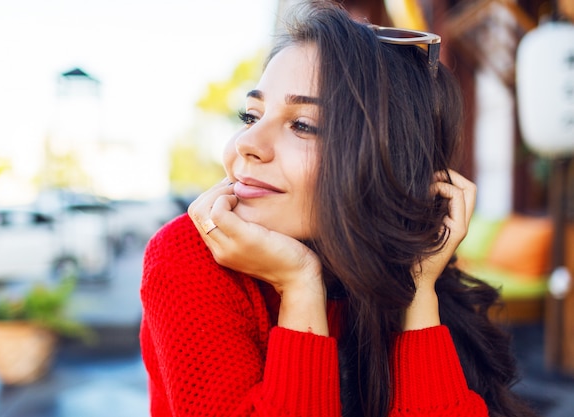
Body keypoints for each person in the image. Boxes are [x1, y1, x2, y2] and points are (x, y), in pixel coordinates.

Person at [140, 2, 538, 416]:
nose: (246, 143)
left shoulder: (402, 272)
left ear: (387, 160)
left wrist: (419, 290)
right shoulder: (189, 256)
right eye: (251, 115)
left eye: (304, 125)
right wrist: (299, 286)